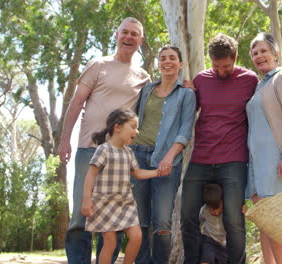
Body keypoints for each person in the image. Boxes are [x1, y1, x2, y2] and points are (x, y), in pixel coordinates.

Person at [58, 17, 150, 264]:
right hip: (89, 149)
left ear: (140, 41)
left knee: (113, 221)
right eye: (125, 33)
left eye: (134, 35)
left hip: (118, 157)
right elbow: (77, 102)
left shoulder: (144, 77)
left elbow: (160, 101)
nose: (129, 38)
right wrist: (64, 140)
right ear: (116, 35)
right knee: (81, 215)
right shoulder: (98, 65)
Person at [181, 33, 259, 264]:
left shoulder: (250, 80)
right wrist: (186, 90)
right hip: (201, 157)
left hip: (234, 159)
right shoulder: (202, 80)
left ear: (235, 57)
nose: (220, 71)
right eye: (216, 66)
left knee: (234, 220)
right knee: (187, 215)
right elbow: (187, 111)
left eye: (225, 66)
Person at [130, 45, 196, 264]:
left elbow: (185, 131)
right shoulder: (146, 90)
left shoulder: (186, 94)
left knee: (162, 221)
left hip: (168, 161)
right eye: (163, 58)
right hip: (138, 156)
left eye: (172, 58)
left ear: (180, 64)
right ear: (158, 63)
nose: (167, 62)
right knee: (139, 219)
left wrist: (169, 156)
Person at [81, 109, 166, 264]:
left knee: (137, 236)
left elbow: (138, 173)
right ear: (117, 127)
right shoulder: (103, 150)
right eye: (133, 127)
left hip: (125, 203)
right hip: (105, 203)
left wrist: (157, 173)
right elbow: (90, 175)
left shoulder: (129, 153)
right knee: (110, 243)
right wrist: (87, 200)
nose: (137, 131)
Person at [246, 32, 282, 264]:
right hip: (255, 163)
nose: (259, 56)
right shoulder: (259, 86)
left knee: (276, 222)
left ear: (275, 54)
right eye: (255, 53)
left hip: (274, 161)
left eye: (263, 51)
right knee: (264, 221)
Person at [199, 184, 228, 264]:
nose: (216, 212)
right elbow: (200, 221)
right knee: (206, 258)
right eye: (212, 210)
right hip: (209, 239)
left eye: (218, 208)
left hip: (223, 243)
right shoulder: (204, 210)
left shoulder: (228, 210)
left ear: (222, 202)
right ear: (207, 206)